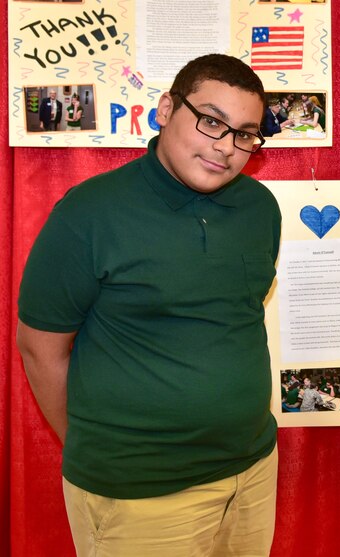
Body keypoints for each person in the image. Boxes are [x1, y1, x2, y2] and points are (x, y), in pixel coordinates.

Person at [17, 54, 281, 557]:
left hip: (251, 473)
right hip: (140, 493)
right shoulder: (89, 211)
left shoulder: (259, 208)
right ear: (165, 110)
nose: (225, 147)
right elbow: (39, 346)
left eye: (244, 133)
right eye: (211, 121)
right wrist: (103, 448)